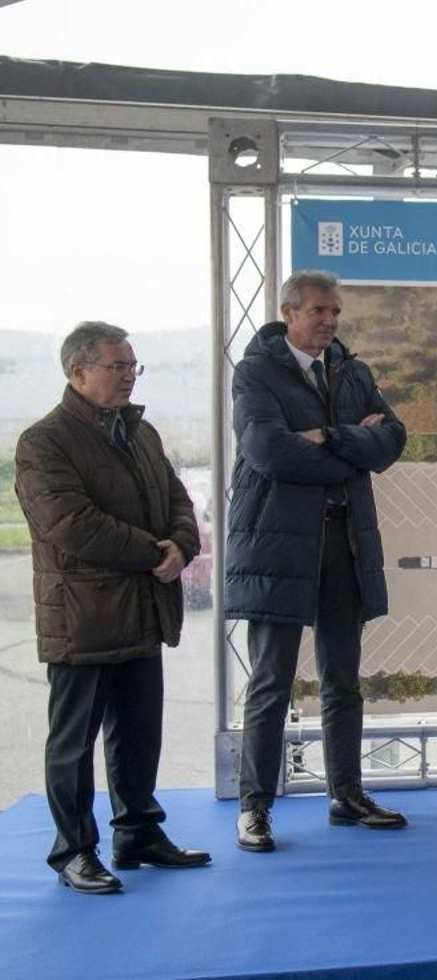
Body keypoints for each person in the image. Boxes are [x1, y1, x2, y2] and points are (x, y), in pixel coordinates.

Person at [14, 321, 210, 894]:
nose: (129, 376)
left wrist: (182, 545)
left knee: (139, 732)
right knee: (72, 743)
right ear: (78, 372)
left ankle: (138, 833)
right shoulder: (43, 442)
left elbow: (177, 499)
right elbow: (72, 525)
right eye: (116, 366)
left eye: (132, 366)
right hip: (81, 619)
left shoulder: (141, 434)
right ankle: (74, 851)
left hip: (141, 610)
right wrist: (155, 553)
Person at [227, 270, 408, 852]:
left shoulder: (353, 371)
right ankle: (255, 808)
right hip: (278, 548)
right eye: (318, 311)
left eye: (335, 312)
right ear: (288, 313)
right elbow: (269, 452)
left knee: (342, 681)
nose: (330, 321)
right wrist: (353, 445)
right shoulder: (255, 373)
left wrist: (325, 436)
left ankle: (346, 795)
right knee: (271, 683)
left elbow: (393, 440)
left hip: (344, 542)